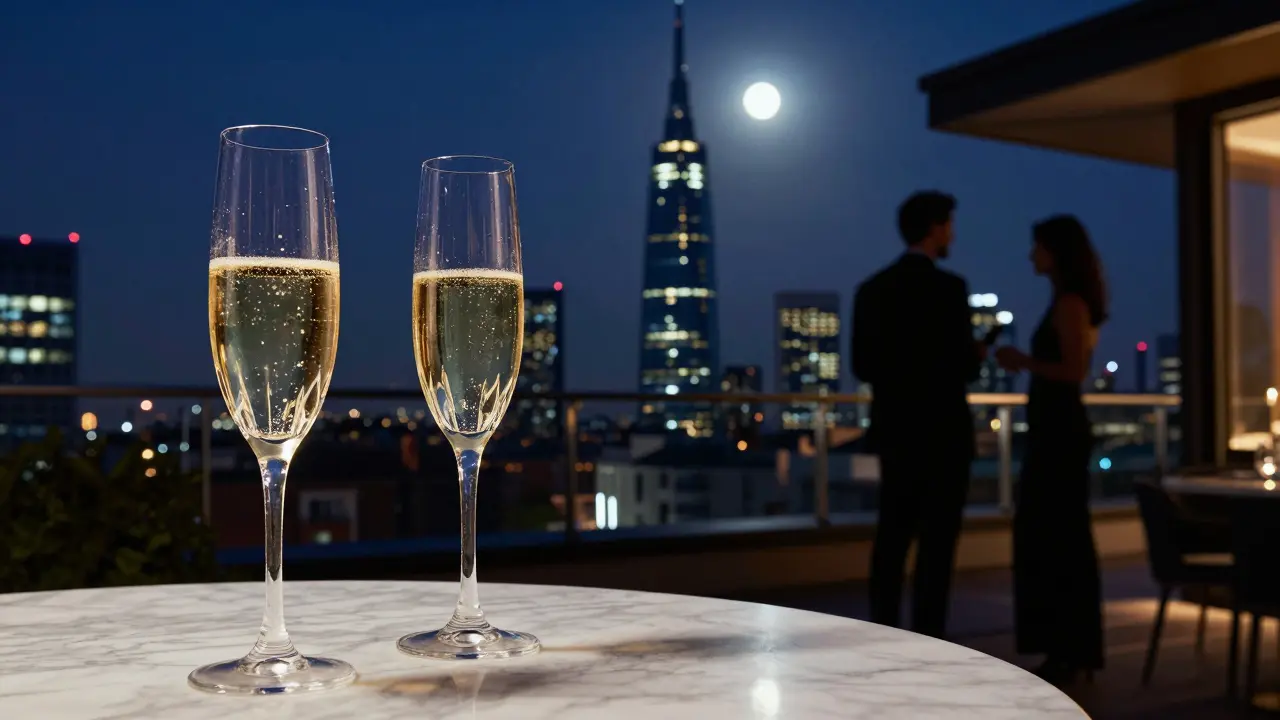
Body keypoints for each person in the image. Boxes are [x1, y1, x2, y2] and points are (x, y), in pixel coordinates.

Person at [852, 191, 984, 639]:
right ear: (934, 228)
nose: (951, 234)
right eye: (948, 225)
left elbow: (862, 365)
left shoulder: (872, 290)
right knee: (937, 547)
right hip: (945, 434)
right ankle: (930, 639)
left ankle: (884, 634)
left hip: (896, 432)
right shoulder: (950, 289)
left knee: (891, 538)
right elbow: (964, 367)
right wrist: (971, 355)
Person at [995, 215, 1107, 684]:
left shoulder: (1069, 304)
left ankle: (1068, 647)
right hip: (1057, 431)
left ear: (1055, 251)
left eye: (1037, 247)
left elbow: (1073, 371)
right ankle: (1070, 646)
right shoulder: (1069, 301)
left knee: (1054, 536)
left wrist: (1023, 361)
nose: (1031, 256)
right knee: (1060, 536)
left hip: (1058, 434)